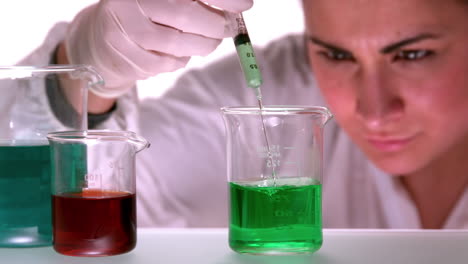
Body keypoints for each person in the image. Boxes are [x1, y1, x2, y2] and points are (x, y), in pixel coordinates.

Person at [18, 0, 468, 229]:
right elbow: (49, 215)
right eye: (335, 54)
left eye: (413, 55)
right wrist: (78, 74)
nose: (373, 110)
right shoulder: (279, 86)